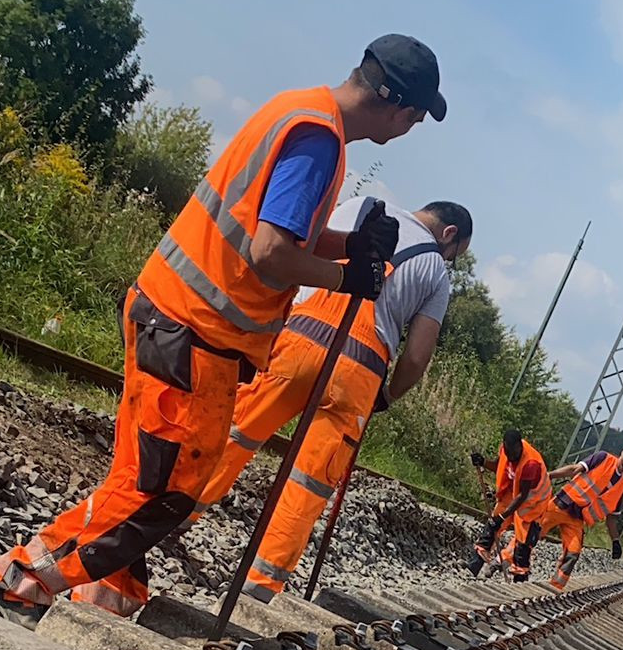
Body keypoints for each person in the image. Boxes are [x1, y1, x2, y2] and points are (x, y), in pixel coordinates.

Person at [0, 35, 446, 623]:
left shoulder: (300, 112)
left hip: (175, 316)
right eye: (417, 116)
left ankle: (107, 597)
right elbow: (271, 251)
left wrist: (348, 245)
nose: (413, 127)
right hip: (192, 332)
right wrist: (343, 275)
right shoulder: (320, 141)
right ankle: (17, 581)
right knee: (163, 490)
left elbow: (276, 228)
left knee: (144, 474)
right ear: (398, 108)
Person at [192, 197, 471, 601]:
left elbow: (294, 247)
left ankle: (176, 510)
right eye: (455, 255)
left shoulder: (359, 206)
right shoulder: (436, 274)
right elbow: (416, 357)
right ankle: (259, 587)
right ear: (448, 235)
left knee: (236, 431)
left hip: (298, 339)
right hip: (358, 373)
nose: (450, 261)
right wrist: (389, 395)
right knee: (309, 482)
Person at [533, 444, 623, 591]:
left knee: (573, 554)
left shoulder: (621, 486)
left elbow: (612, 518)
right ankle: (504, 562)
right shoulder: (603, 458)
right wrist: (548, 476)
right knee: (532, 534)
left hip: (577, 518)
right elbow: (574, 469)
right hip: (563, 504)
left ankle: (553, 589)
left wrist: (615, 541)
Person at [467, 429, 551, 581]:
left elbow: (522, 496)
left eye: (513, 454)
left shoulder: (531, 463)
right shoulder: (506, 450)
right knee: (491, 527)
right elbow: (500, 466)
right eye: (508, 452)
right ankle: (473, 567)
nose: (510, 457)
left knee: (522, 543)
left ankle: (520, 580)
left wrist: (503, 516)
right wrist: (483, 462)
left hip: (534, 501)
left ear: (520, 446)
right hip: (512, 492)